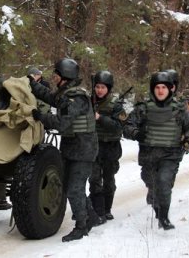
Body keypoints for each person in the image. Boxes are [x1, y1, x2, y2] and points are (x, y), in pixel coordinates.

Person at [29, 58, 98, 242]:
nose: (53, 78)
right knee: (69, 186)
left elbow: (61, 123)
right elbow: (51, 98)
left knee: (75, 189)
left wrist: (40, 117)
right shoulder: (66, 94)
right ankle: (90, 216)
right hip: (73, 148)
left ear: (64, 77)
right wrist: (33, 86)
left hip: (83, 151)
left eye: (56, 75)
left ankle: (81, 227)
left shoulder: (76, 98)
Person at [123, 71, 189, 230]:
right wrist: (136, 133)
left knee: (164, 182)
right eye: (157, 87)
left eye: (164, 87)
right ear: (153, 89)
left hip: (170, 155)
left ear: (170, 89)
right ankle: (156, 202)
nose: (160, 90)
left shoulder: (179, 110)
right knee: (151, 182)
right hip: (148, 155)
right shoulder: (143, 109)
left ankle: (163, 217)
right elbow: (127, 126)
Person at [89, 71, 126, 223]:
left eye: (103, 87)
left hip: (110, 147)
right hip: (93, 146)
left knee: (109, 181)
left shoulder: (116, 105)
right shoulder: (89, 102)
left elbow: (118, 127)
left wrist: (100, 118)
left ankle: (107, 209)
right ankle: (97, 210)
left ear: (108, 88)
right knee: (94, 179)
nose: (99, 90)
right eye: (97, 87)